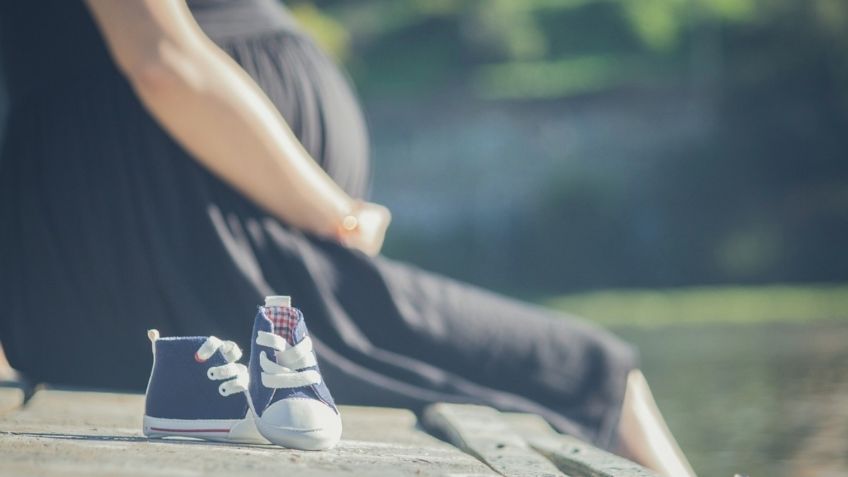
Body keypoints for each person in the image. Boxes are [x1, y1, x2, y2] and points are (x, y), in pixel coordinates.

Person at [0, 1, 695, 475]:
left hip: (167, 242)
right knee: (592, 374)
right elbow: (163, 60)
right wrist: (332, 211)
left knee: (588, 375)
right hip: (172, 240)